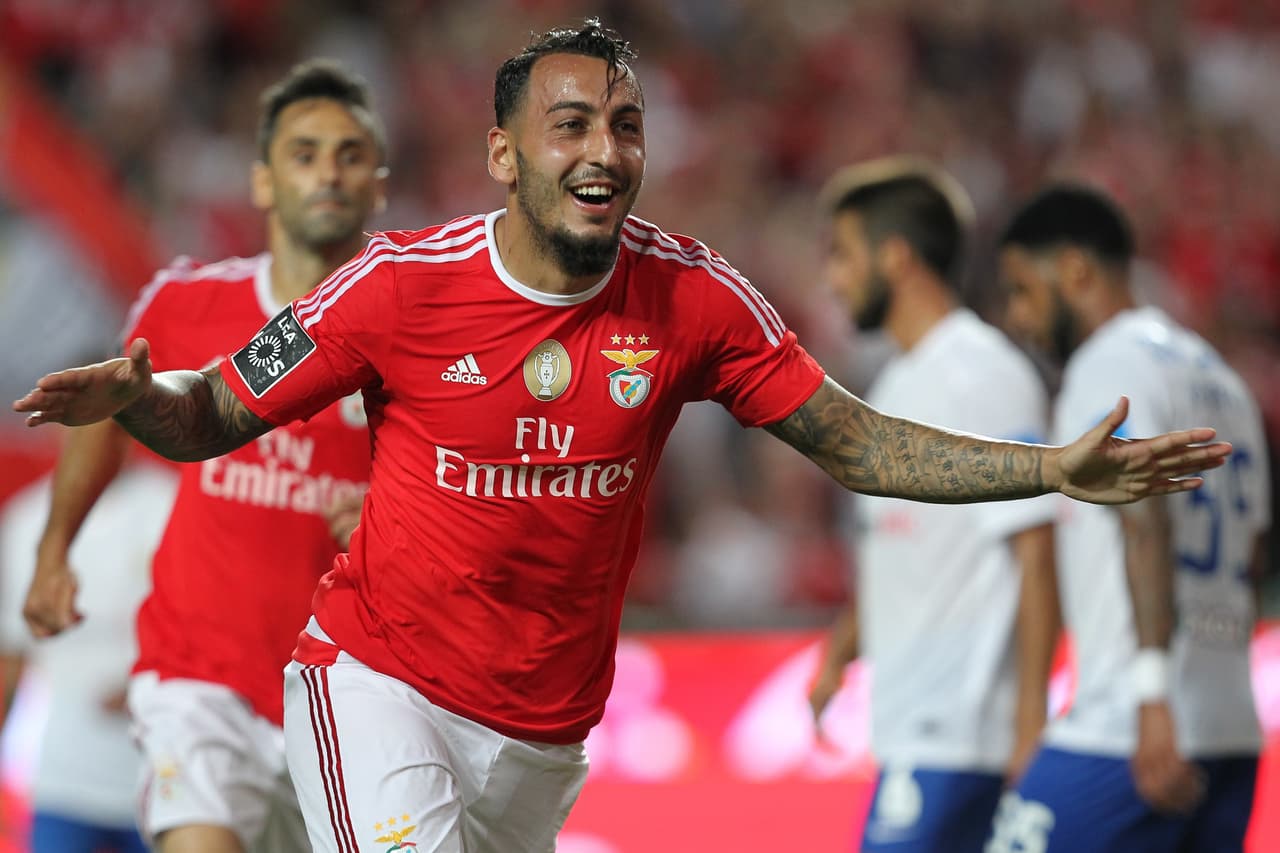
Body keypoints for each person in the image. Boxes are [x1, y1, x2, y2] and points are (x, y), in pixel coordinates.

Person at [12, 21, 1230, 853]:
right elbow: (212, 413)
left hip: (541, 731)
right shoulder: (394, 286)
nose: (604, 149)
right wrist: (139, 400)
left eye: (626, 124)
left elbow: (854, 444)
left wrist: (1050, 469)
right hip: (376, 680)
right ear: (503, 155)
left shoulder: (694, 297)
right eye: (571, 124)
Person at [19, 59, 387, 853]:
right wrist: (55, 549)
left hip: (348, 692)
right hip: (199, 678)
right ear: (262, 181)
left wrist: (398, 521)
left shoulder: (411, 330)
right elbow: (111, 411)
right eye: (304, 153)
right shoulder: (186, 305)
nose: (328, 173)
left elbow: (470, 474)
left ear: (379, 184)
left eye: (350, 154)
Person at [987, 184, 1271, 853]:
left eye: (1023, 289)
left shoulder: (1108, 364)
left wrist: (1152, 695)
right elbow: (1255, 550)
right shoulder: (1224, 378)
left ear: (1075, 270)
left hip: (1132, 727)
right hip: (1231, 727)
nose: (1019, 317)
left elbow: (1142, 519)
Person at [807, 158, 1060, 852]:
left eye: (843, 254)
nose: (832, 279)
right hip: (911, 728)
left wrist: (1029, 724)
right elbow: (898, 546)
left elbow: (1036, 550)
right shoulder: (894, 384)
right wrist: (840, 654)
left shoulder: (984, 374)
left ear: (896, 256)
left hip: (968, 734)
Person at [1, 461, 177, 853]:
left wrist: (143, 685)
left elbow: (200, 629)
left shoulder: (169, 504)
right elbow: (13, 655)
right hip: (58, 778)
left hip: (158, 774)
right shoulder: (26, 519)